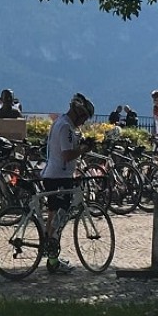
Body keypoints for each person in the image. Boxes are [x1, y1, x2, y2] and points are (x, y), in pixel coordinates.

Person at [41, 94, 96, 273]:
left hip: (56, 174)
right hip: (60, 176)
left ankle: (52, 257)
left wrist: (80, 145)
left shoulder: (63, 123)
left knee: (53, 217)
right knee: (59, 219)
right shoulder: (65, 126)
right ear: (78, 113)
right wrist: (84, 149)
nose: (83, 122)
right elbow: (67, 154)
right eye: (84, 118)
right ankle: (53, 259)